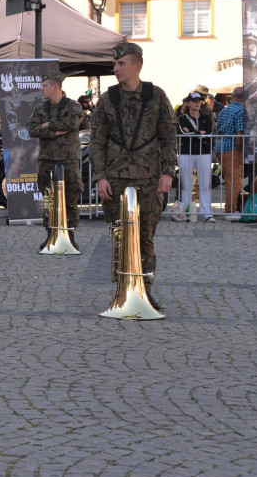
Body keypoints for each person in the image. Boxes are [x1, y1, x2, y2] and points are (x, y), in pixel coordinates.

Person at [89, 43, 177, 310]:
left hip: (149, 179)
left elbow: (168, 137)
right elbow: (97, 141)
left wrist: (168, 172)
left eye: (122, 64)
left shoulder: (156, 96)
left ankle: (145, 292)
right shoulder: (107, 99)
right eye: (114, 64)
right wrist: (100, 177)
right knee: (119, 237)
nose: (116, 69)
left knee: (145, 239)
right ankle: (123, 291)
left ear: (137, 66)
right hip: (115, 179)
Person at [25, 70, 85, 250]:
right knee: (49, 198)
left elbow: (72, 123)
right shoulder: (40, 109)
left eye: (45, 86)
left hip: (68, 159)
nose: (41, 89)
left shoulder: (73, 106)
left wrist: (48, 124)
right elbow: (32, 129)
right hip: (47, 159)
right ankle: (51, 234)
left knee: (71, 196)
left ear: (55, 86)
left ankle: (70, 234)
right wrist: (54, 131)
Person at [173, 90, 215, 222]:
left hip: (204, 153)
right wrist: (198, 133)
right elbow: (182, 133)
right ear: (188, 103)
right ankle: (184, 212)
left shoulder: (205, 118)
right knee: (186, 185)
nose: (197, 104)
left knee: (204, 185)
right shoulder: (181, 118)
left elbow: (209, 133)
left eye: (199, 101)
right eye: (194, 101)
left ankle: (206, 212)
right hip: (186, 153)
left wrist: (192, 133)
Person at [215, 86, 246, 219]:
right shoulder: (241, 110)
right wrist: (241, 150)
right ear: (244, 98)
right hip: (232, 148)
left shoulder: (224, 110)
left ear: (233, 97)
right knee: (235, 180)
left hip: (220, 147)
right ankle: (231, 209)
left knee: (229, 180)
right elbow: (240, 133)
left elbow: (218, 128)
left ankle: (229, 207)